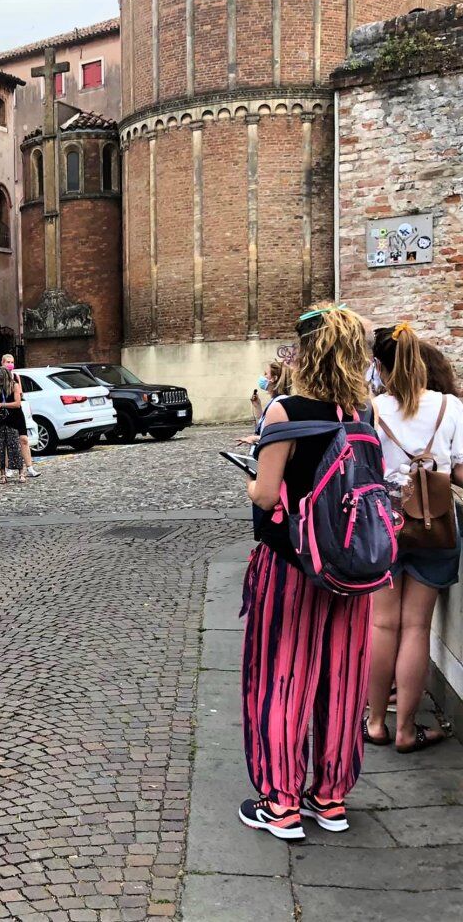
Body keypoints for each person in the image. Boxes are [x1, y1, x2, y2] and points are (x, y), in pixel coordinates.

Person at [239, 303, 374, 840]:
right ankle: (331, 799)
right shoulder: (362, 410)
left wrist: (251, 477)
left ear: (306, 351)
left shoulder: (285, 411)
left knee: (284, 676)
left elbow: (268, 494)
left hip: (293, 565)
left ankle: (282, 804)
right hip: (351, 564)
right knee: (341, 681)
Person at [364, 324, 463, 753]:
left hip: (383, 526)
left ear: (380, 367)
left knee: (381, 624)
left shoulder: (370, 410)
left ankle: (373, 723)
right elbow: (459, 471)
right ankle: (406, 730)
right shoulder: (450, 406)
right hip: (434, 524)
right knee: (417, 626)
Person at [0, 365, 25, 483]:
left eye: (2, 379)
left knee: (14, 447)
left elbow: (17, 404)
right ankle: (2, 474)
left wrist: (1, 404)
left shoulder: (14, 386)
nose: (0, 382)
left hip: (12, 419)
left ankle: (21, 472)